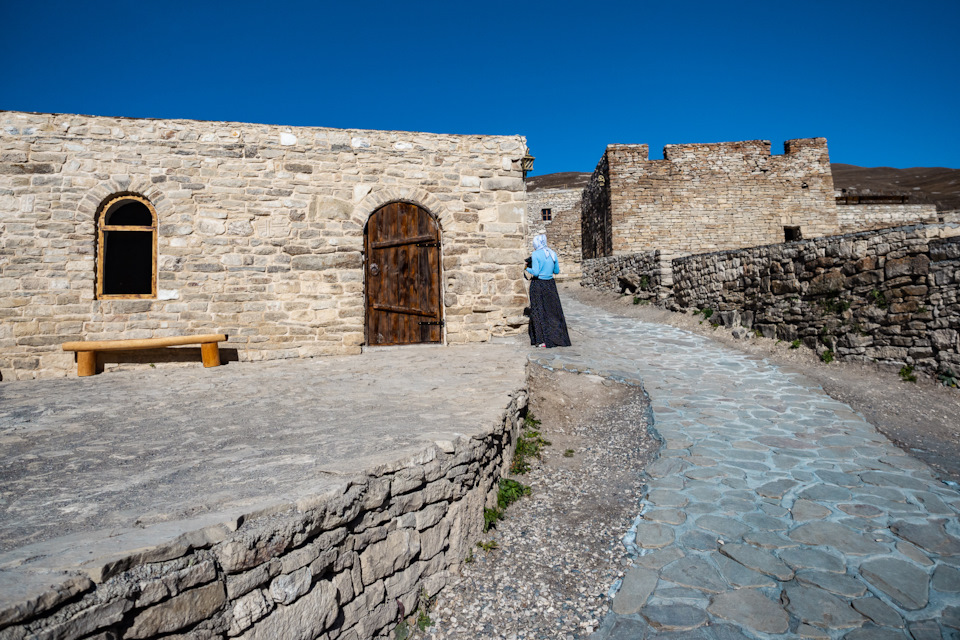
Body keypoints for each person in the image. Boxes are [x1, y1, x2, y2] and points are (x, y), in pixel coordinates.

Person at [525, 234, 571, 348]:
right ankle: (557, 338)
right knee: (552, 312)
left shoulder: (535, 254)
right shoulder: (552, 253)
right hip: (550, 284)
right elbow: (557, 271)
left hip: (538, 285)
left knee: (538, 311)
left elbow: (535, 272)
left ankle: (541, 340)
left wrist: (526, 268)